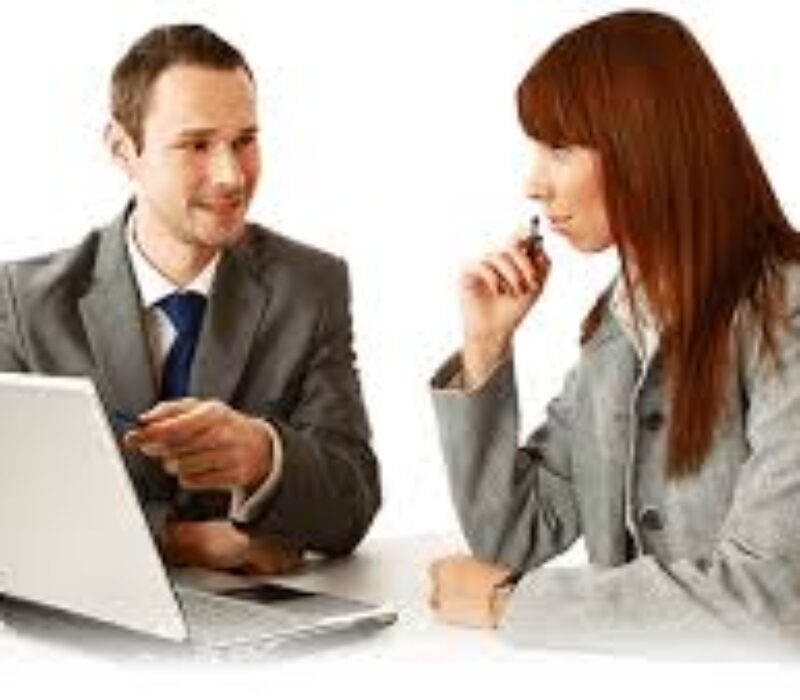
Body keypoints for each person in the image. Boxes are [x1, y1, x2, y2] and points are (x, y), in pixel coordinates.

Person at [428, 9, 800, 651]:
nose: (534, 183)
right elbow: (516, 536)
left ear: (644, 144)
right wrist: (486, 347)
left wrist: (511, 605)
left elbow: (772, 596)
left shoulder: (784, 310)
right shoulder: (622, 321)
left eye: (561, 149)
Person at [0, 24, 380, 574]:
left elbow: (352, 504)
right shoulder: (25, 303)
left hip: (261, 638)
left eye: (245, 141)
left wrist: (264, 456)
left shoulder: (310, 286)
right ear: (123, 150)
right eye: (196, 144)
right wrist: (181, 542)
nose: (230, 175)